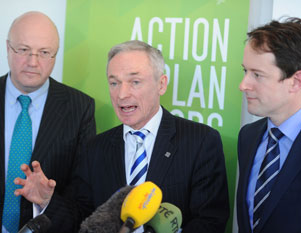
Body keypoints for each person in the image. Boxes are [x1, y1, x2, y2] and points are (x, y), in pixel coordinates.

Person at [73, 40, 230, 232]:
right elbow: (81, 215)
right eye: (114, 83)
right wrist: (47, 201)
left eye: (135, 82)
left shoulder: (201, 141)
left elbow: (210, 222)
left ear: (161, 84)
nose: (122, 94)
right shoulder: (95, 148)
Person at [0, 11, 96, 233]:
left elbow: (84, 198)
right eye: (23, 50)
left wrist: (48, 200)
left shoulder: (80, 109)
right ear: (7, 48)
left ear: (55, 55)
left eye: (44, 52)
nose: (32, 62)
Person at [236, 17, 301, 233]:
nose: (243, 85)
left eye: (257, 75)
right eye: (245, 71)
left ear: (296, 81)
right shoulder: (248, 137)